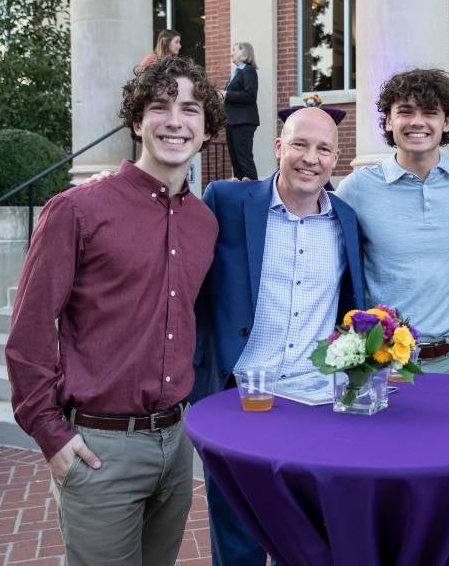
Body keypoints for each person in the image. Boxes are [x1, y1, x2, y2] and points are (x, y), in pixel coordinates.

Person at [4, 56, 224, 566]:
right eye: (159, 106)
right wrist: (51, 436)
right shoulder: (78, 209)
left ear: (208, 128)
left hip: (176, 442)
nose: (175, 121)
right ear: (136, 121)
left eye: (190, 109)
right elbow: (29, 334)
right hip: (100, 448)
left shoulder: (204, 222)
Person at [190, 106, 365, 565]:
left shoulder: (347, 220)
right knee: (238, 541)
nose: (310, 158)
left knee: (311, 543)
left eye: (323, 148)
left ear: (337, 158)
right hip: (238, 401)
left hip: (316, 405)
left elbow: (354, 307)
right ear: (278, 148)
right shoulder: (225, 201)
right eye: (300, 145)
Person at [336, 68, 449, 374]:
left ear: (445, 122)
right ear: (389, 121)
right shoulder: (357, 188)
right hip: (383, 363)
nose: (417, 122)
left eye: (430, 112)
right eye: (405, 112)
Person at [222, 41, 260, 180]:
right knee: (235, 161)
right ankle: (239, 193)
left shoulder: (249, 71)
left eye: (234, 50)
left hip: (243, 122)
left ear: (244, 53)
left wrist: (226, 94)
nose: (231, 53)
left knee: (244, 159)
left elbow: (250, 95)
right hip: (232, 121)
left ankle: (254, 192)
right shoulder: (236, 73)